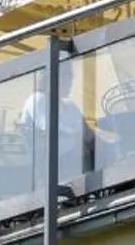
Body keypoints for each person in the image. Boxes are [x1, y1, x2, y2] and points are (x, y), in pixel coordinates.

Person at [17, 56, 97, 187]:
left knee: (107, 149)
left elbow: (88, 134)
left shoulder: (70, 106)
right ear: (51, 76)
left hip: (74, 160)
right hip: (50, 166)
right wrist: (78, 138)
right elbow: (52, 128)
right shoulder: (38, 99)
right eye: (66, 75)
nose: (71, 81)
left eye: (71, 76)